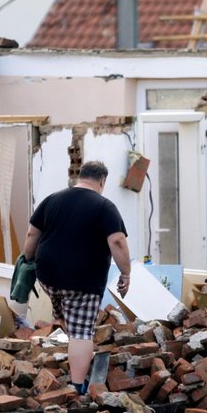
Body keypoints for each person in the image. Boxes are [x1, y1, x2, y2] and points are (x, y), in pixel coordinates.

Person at [22, 160, 131, 395]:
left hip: (48, 275)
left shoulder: (52, 199)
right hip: (82, 280)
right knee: (82, 332)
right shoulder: (105, 206)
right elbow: (117, 241)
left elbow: (32, 233)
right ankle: (77, 386)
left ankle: (59, 356)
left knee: (63, 313)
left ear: (79, 176)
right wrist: (126, 273)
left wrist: (26, 261)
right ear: (102, 181)